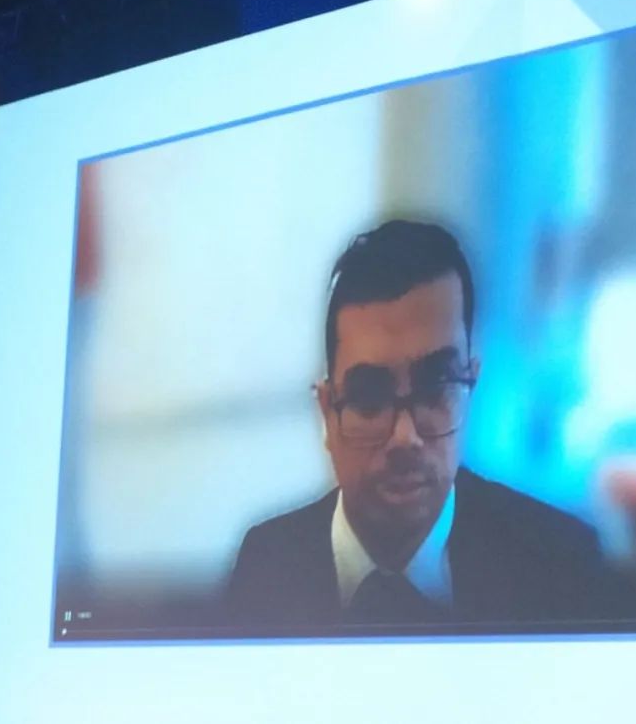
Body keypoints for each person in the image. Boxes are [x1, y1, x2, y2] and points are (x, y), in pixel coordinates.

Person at [226, 219, 615, 633]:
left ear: (470, 387)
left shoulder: (560, 563)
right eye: (369, 398)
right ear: (327, 410)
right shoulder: (264, 563)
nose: (405, 438)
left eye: (436, 388)